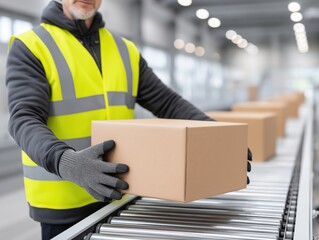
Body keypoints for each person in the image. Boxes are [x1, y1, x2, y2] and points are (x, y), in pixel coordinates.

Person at [5, 0, 252, 239]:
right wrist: (69, 163)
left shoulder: (124, 50)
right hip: (63, 207)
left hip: (119, 197)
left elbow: (167, 103)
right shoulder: (32, 46)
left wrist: (217, 137)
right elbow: (24, 120)